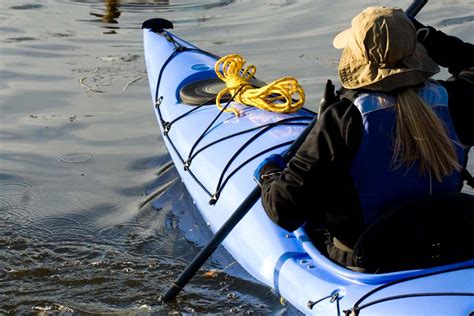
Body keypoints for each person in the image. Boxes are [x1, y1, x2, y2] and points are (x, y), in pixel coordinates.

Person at [253, 6, 474, 270]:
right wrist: (425, 35)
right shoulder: (458, 100)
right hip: (450, 246)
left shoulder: (343, 117)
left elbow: (283, 210)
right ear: (417, 52)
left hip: (370, 261)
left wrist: (268, 174)